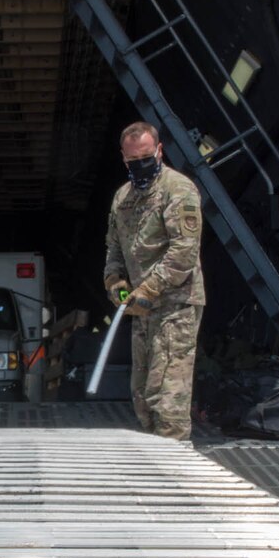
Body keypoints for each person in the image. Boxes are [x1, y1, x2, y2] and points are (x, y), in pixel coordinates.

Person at [103, 120, 204, 439]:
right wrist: (114, 281)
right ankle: (155, 464)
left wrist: (149, 288)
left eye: (147, 157)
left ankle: (176, 468)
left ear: (159, 151)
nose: (141, 166)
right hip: (142, 310)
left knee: (168, 399)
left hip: (175, 307)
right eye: (134, 161)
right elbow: (115, 246)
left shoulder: (178, 189)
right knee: (143, 396)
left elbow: (184, 250)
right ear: (123, 157)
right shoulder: (123, 198)